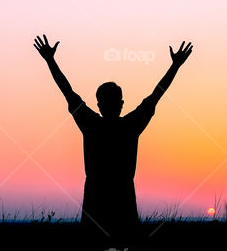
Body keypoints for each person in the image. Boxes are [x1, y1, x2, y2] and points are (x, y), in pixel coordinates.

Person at [33, 35, 192, 238]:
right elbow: (157, 94)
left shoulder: (91, 124)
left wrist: (50, 61)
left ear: (99, 105)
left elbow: (67, 91)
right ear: (121, 103)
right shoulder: (130, 126)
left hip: (95, 198)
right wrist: (175, 66)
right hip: (122, 198)